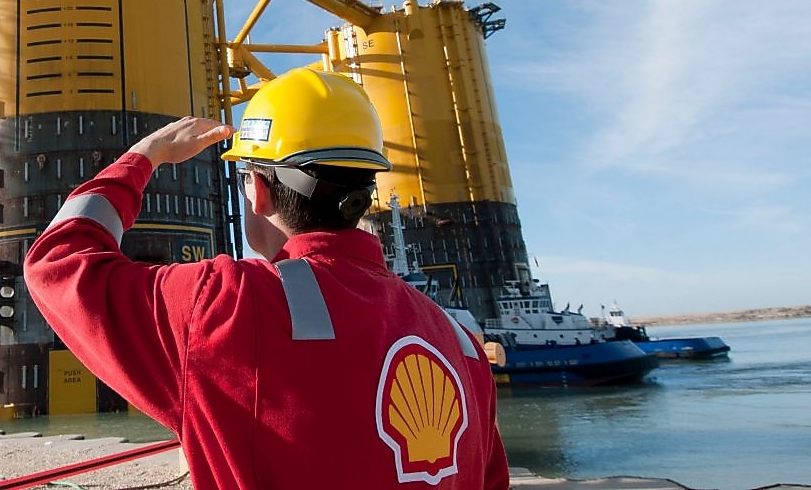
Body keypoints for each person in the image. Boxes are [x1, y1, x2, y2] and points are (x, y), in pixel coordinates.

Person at [25, 68, 509, 489]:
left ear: (257, 190)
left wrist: (142, 157)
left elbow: (57, 262)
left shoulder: (228, 305)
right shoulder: (461, 344)